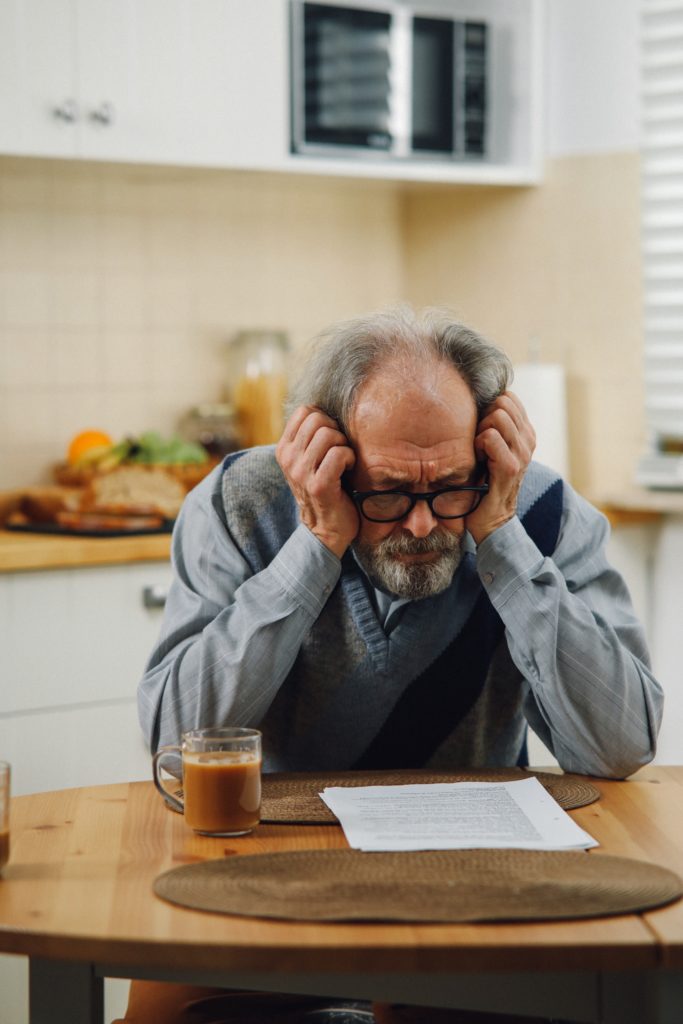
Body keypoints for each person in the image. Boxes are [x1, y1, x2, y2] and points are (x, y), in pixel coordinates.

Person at [123, 306, 663, 1024]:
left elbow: (620, 743)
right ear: (329, 455)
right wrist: (313, 547)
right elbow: (174, 737)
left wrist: (500, 538)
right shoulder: (239, 505)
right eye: (387, 491)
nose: (420, 525)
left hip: (484, 883)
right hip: (271, 885)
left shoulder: (536, 512)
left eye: (448, 485)